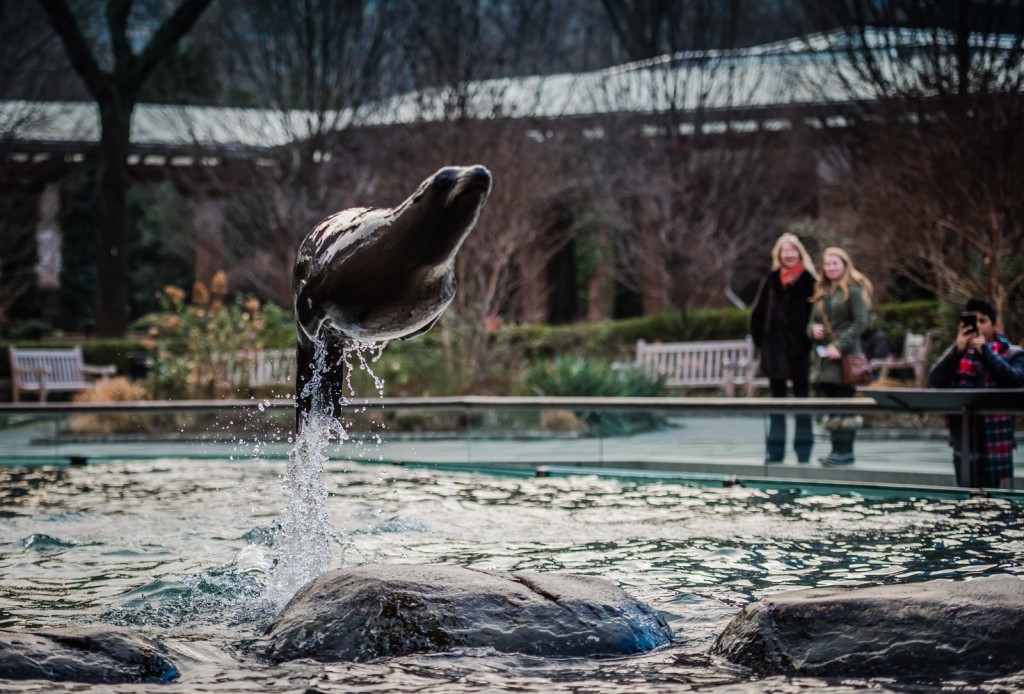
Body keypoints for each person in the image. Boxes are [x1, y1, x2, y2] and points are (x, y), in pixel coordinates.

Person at [927, 298, 1024, 488]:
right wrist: (957, 350)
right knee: (966, 499)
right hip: (964, 440)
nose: (977, 326)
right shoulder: (957, 353)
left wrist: (985, 353)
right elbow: (934, 381)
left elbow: (1014, 382)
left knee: (1000, 501)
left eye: (983, 321)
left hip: (997, 441)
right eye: (973, 321)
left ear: (995, 325)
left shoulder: (1013, 354)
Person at [750, 233, 818, 463]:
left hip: (800, 351)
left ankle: (804, 451)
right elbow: (758, 315)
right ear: (779, 254)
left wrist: (807, 341)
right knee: (776, 403)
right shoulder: (771, 280)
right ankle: (775, 451)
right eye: (784, 251)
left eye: (792, 250)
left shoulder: (809, 280)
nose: (789, 254)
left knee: (802, 402)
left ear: (799, 253)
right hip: (775, 351)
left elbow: (817, 315)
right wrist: (763, 342)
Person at [807, 247, 873, 467]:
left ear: (844, 264)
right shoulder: (821, 291)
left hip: (844, 358)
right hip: (824, 359)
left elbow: (860, 322)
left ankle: (846, 451)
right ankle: (836, 450)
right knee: (831, 405)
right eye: (827, 264)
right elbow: (810, 321)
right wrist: (812, 330)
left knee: (845, 404)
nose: (830, 268)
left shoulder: (853, 291)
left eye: (834, 263)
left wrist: (840, 345)